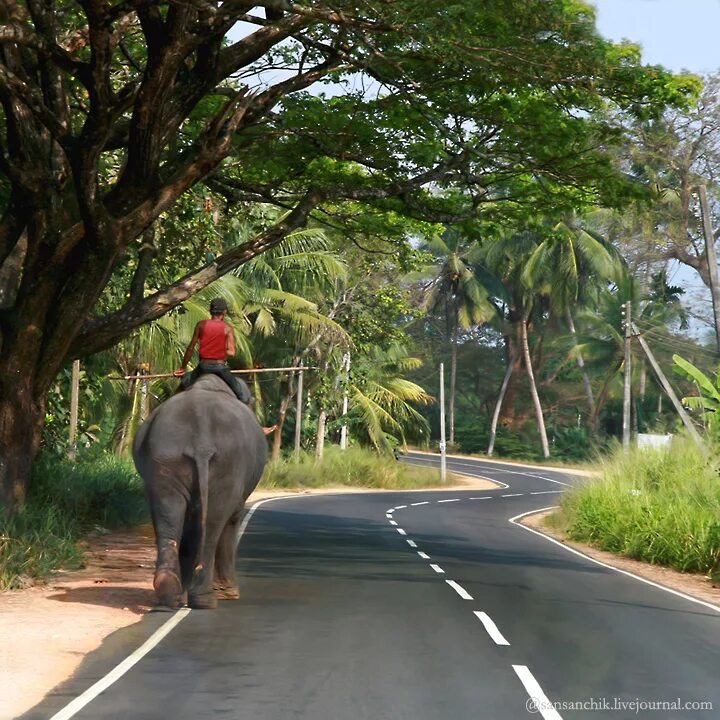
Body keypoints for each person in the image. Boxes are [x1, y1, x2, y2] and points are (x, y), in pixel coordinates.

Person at [174, 297, 254, 403]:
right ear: (225, 312)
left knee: (184, 383)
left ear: (210, 310)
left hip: (203, 367)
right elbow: (232, 352)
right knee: (240, 392)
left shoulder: (201, 325)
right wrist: (220, 352)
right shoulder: (227, 328)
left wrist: (183, 368)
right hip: (220, 367)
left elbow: (190, 348)